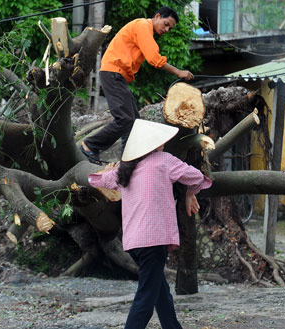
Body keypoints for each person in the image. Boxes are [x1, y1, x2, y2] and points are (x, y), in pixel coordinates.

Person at [88, 119, 211, 329]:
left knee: (160, 291)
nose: (162, 143)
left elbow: (97, 180)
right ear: (153, 145)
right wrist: (191, 193)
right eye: (159, 141)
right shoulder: (164, 161)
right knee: (146, 296)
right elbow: (197, 176)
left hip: (134, 242)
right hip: (154, 240)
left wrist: (105, 171)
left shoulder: (125, 169)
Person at [80, 6, 194, 164]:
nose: (167, 29)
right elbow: (155, 59)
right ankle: (90, 145)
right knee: (125, 119)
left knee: (135, 122)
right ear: (157, 16)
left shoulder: (144, 29)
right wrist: (178, 72)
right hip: (113, 72)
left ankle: (128, 161)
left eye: (170, 28)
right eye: (166, 24)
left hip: (117, 75)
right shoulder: (142, 26)